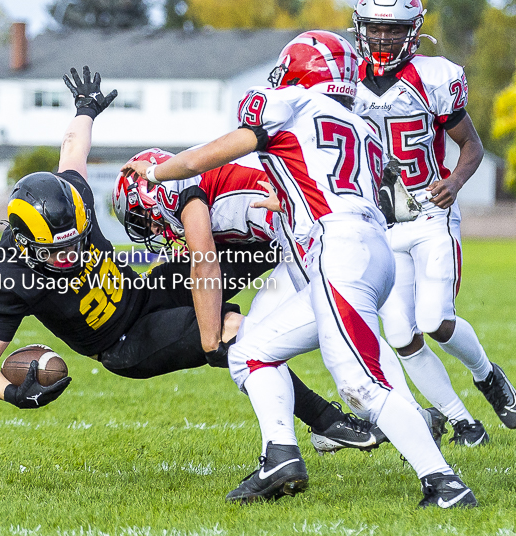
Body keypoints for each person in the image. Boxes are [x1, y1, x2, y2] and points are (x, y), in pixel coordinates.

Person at [121, 31, 476, 508]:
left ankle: (445, 483)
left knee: (360, 384)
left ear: (297, 72)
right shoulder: (361, 126)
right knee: (250, 353)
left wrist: (159, 172)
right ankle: (280, 457)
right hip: (370, 248)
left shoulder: (286, 103)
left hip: (338, 250)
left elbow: (201, 159)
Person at [0, 66, 383, 457]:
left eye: (75, 241)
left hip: (144, 291)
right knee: (231, 330)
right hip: (125, 343)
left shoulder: (74, 201)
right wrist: (12, 394)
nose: (71, 254)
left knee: (243, 249)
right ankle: (327, 422)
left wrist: (85, 110)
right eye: (57, 251)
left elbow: (73, 151)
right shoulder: (7, 274)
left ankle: (326, 271)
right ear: (24, 242)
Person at [351, 0, 516, 446]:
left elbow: (473, 146)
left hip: (429, 214)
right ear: (361, 28)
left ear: (415, 29)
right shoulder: (345, 80)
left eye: (394, 29)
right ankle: (463, 421)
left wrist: (455, 181)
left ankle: (488, 377)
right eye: (375, 29)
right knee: (401, 333)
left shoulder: (434, 77)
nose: (383, 37)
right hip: (381, 223)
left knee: (435, 320)